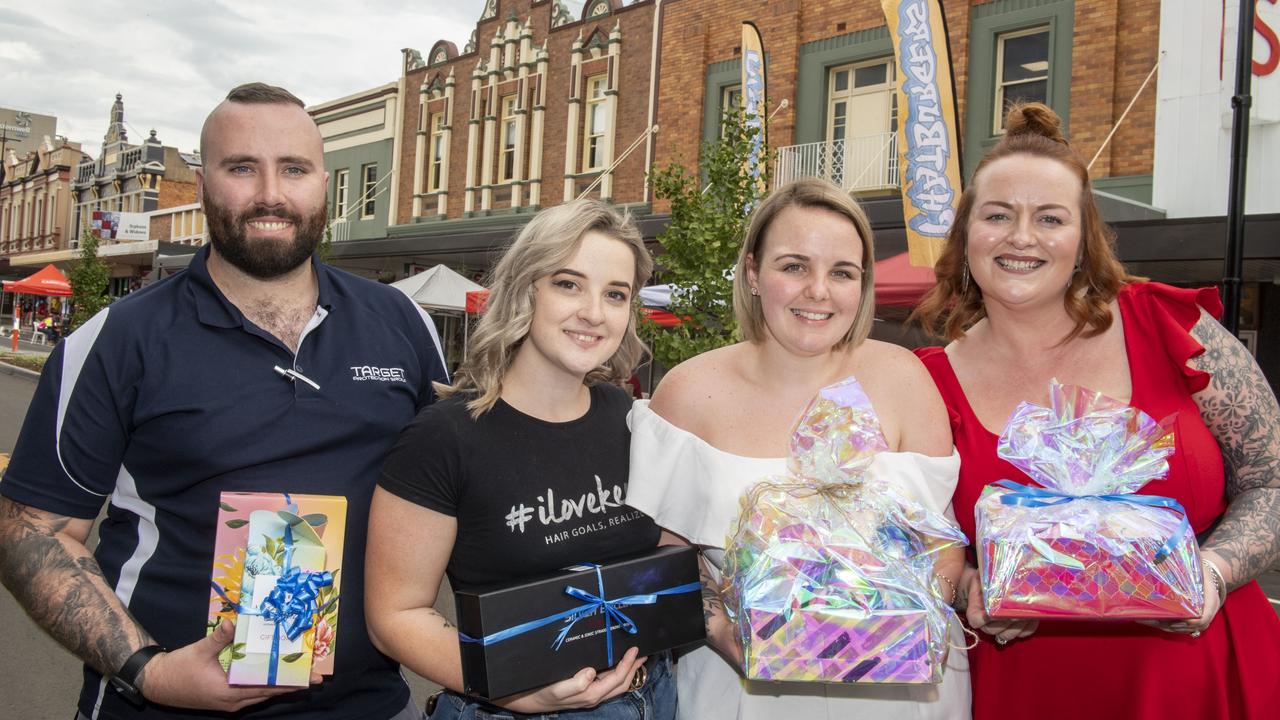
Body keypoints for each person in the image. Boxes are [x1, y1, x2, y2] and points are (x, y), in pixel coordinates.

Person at [0, 83, 448, 720]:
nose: (270, 193)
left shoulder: (402, 323)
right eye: (242, 168)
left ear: (324, 183)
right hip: (160, 707)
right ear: (205, 184)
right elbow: (32, 532)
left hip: (370, 705)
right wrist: (148, 671)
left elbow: (456, 499)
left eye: (293, 168)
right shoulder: (118, 339)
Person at [911, 102, 1280, 720]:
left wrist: (1211, 574)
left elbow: (1272, 479)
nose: (1021, 237)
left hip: (1199, 676)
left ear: (1083, 240)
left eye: (1049, 218)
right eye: (998, 215)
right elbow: (912, 541)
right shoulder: (924, 383)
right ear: (965, 235)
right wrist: (966, 587)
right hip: (1023, 688)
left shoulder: (1172, 327)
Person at [625, 178, 971, 719]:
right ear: (752, 273)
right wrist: (727, 636)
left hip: (901, 689)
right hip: (739, 693)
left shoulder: (904, 377)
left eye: (841, 272)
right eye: (793, 266)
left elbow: (943, 546)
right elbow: (669, 556)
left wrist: (902, 623)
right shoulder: (689, 391)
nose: (818, 291)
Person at [367, 199, 674, 719]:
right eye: (568, 283)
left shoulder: (627, 417)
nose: (594, 313)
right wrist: (511, 688)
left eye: (615, 294)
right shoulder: (444, 435)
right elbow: (395, 615)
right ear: (525, 289)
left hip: (649, 698)